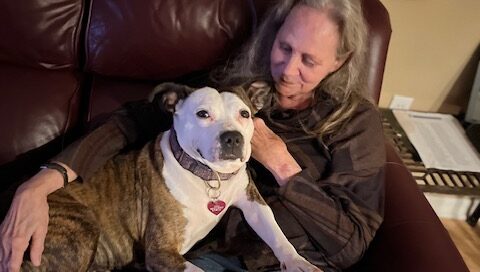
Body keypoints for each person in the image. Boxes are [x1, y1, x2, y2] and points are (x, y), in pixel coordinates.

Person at [0, 0, 386, 271]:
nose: (287, 69)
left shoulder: (355, 125)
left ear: (341, 61)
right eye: (284, 47)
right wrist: (40, 183)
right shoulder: (223, 91)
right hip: (206, 256)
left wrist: (284, 166)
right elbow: (127, 123)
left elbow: (351, 240)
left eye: (309, 61)